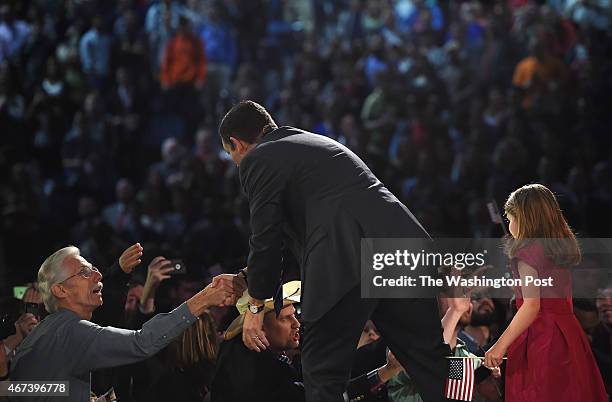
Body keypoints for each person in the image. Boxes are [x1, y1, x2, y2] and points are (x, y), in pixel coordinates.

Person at [218, 100, 450, 402]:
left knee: (322, 373)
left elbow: (266, 239)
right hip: (405, 247)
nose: (236, 162)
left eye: (230, 154)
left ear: (236, 143)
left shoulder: (258, 158)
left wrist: (255, 306)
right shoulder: (317, 143)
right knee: (434, 357)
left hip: (344, 259)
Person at [9, 246, 243, 402]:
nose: (97, 275)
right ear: (60, 290)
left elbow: (16, 390)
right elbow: (142, 342)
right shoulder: (72, 331)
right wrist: (205, 298)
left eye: (93, 269)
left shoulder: (42, 334)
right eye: (83, 272)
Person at [484, 184, 608, 401]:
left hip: (542, 338)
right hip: (568, 335)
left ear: (524, 219)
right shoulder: (554, 249)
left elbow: (532, 306)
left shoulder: (527, 254)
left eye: (511, 217)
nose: (509, 224)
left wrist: (499, 346)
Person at [211, 281, 405, 402]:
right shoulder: (256, 368)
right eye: (286, 318)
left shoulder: (242, 355)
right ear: (258, 325)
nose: (297, 324)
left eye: (295, 316)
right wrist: (386, 371)